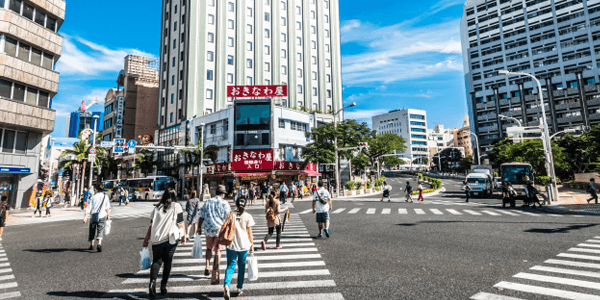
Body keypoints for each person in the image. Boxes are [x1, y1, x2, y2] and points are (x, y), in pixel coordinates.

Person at [142, 188, 186, 299]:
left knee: (156, 261)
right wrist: (184, 236)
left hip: (156, 239)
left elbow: (151, 226)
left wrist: (146, 239)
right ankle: (163, 285)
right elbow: (180, 223)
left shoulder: (157, 207)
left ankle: (152, 282)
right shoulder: (176, 206)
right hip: (170, 239)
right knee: (167, 262)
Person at [197, 185, 231, 285]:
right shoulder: (224, 203)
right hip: (219, 231)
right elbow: (228, 217)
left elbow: (201, 216)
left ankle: (207, 265)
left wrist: (199, 227)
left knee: (208, 248)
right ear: (223, 194)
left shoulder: (207, 202)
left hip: (208, 230)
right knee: (218, 250)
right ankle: (215, 270)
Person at [223, 196, 255, 299]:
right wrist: (252, 245)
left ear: (235, 204)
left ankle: (226, 285)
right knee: (241, 267)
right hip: (244, 245)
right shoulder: (247, 216)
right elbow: (249, 233)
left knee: (230, 266)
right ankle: (239, 288)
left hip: (231, 244)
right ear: (245, 205)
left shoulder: (230, 215)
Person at [83, 184, 111, 252]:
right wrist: (108, 215)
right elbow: (107, 208)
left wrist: (85, 217)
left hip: (94, 215)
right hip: (102, 215)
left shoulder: (93, 197)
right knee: (100, 229)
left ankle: (92, 245)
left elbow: (89, 208)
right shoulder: (105, 197)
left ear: (96, 189)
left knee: (92, 229)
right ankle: (99, 244)